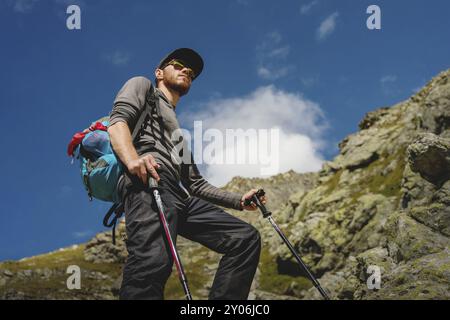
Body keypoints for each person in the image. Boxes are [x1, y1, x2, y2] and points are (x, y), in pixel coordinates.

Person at [108, 48, 267, 300]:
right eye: (179, 65)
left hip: (178, 196)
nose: (186, 71)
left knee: (244, 238)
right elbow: (117, 123)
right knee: (152, 262)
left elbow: (196, 184)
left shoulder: (178, 135)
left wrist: (239, 200)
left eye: (191, 72)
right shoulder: (142, 86)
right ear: (159, 72)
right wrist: (132, 160)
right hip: (146, 182)